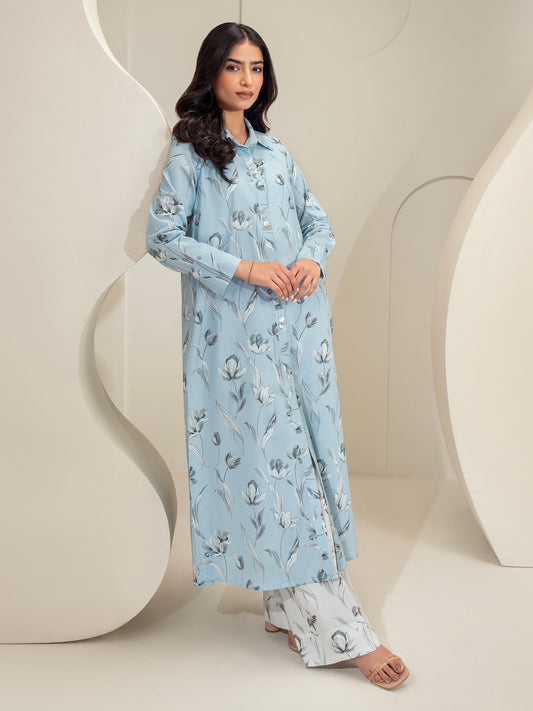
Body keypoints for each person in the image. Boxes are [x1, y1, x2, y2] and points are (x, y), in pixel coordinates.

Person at [145, 21, 409, 689]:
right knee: (277, 471)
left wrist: (310, 260)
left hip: (300, 333)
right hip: (237, 341)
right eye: (234, 66)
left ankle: (286, 605)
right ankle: (344, 629)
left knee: (305, 464)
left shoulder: (274, 152)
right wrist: (245, 268)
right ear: (210, 72)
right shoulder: (190, 155)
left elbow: (317, 221)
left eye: (256, 68)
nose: (246, 79)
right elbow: (163, 237)